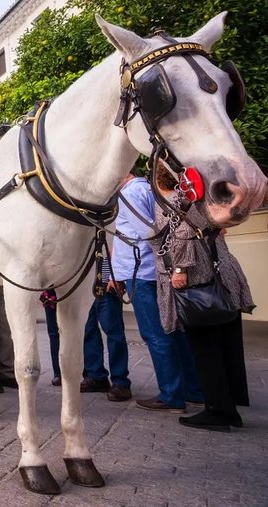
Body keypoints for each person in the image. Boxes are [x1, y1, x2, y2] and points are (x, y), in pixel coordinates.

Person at [154, 165, 255, 431]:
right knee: (226, 345)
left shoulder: (173, 200)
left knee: (205, 348)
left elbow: (179, 235)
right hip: (222, 273)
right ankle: (229, 407)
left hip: (199, 280)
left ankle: (218, 411)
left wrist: (179, 268)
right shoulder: (201, 199)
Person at [114, 166, 203, 413]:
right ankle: (193, 390)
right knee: (173, 330)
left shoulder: (130, 194)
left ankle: (171, 394)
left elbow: (148, 231)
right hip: (151, 270)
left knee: (155, 333)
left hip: (141, 271)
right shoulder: (146, 189)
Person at [81, 257, 132, 401]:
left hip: (106, 282)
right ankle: (95, 376)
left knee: (114, 333)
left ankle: (120, 382)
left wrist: (115, 277)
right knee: (88, 331)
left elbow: (116, 249)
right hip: (84, 284)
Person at [40, 288, 61, 386]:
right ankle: (58, 372)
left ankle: (77, 369)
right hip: (50, 292)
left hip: (70, 287)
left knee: (73, 331)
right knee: (53, 333)